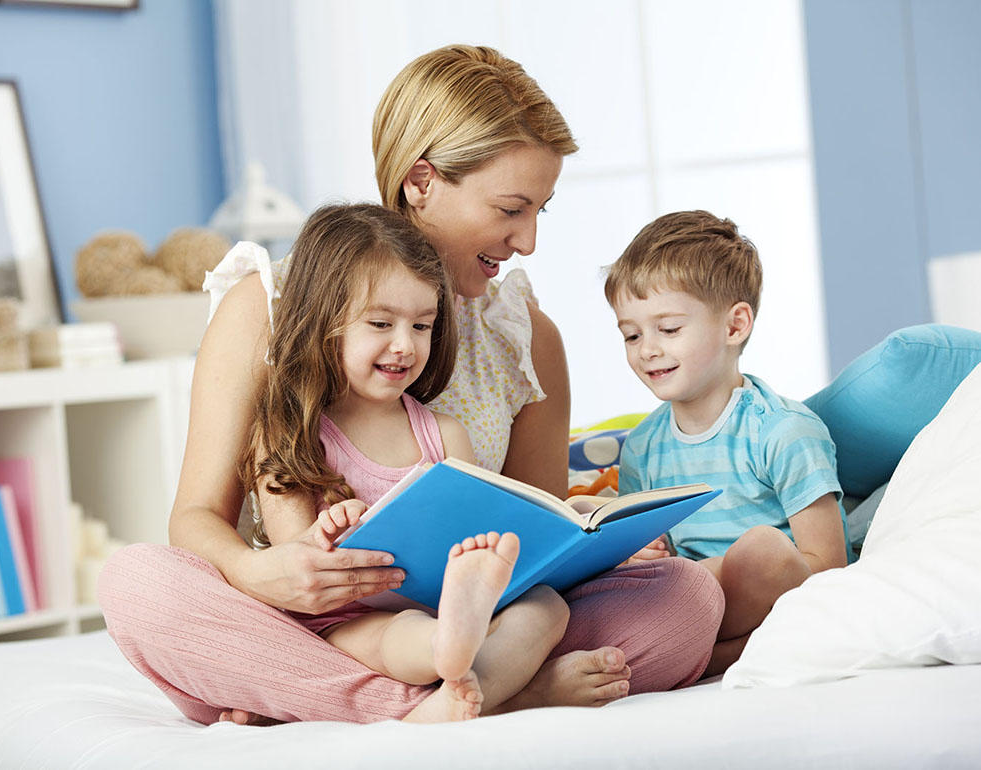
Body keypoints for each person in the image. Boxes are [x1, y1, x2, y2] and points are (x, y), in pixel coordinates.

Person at [98, 44, 724, 725]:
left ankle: (344, 697)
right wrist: (262, 574)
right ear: (421, 180)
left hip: (476, 623)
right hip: (309, 620)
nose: (529, 241)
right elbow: (195, 519)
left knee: (687, 599)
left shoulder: (525, 337)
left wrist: (600, 539)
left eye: (542, 211)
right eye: (512, 208)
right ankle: (431, 704)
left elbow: (538, 540)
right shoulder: (267, 307)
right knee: (139, 586)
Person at [242, 202, 568, 722]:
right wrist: (331, 530)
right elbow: (296, 559)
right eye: (380, 323)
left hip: (441, 601)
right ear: (323, 323)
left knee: (549, 607)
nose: (405, 345)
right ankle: (449, 657)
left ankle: (464, 685)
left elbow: (479, 532)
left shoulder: (445, 435)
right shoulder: (290, 433)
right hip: (349, 620)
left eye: (422, 325)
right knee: (401, 637)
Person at [603, 209, 849, 677]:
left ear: (735, 326)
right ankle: (700, 652)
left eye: (668, 329)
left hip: (768, 596)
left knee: (762, 549)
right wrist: (646, 551)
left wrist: (710, 573)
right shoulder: (641, 448)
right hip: (691, 605)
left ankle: (721, 655)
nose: (646, 349)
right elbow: (654, 560)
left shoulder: (784, 430)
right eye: (631, 334)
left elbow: (828, 568)